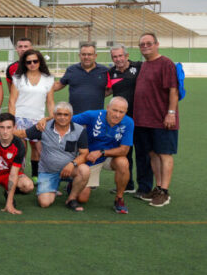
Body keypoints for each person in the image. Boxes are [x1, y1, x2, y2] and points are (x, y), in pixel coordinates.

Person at [132, 33, 180, 207]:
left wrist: (171, 113)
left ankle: (165, 192)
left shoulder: (165, 63)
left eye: (148, 43)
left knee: (164, 154)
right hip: (144, 120)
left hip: (162, 119)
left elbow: (173, 91)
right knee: (152, 154)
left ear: (157, 44)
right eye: (142, 44)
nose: (145, 46)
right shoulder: (145, 65)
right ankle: (158, 187)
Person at [15, 102, 90, 211]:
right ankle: (52, 186)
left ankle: (71, 199)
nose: (62, 117)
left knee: (85, 173)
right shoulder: (43, 127)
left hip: (70, 170)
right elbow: (22, 134)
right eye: (59, 114)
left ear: (71, 116)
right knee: (44, 203)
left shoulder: (79, 130)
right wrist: (4, 132)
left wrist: (72, 164)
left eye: (66, 115)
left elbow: (84, 154)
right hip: (48, 171)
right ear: (54, 115)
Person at [70, 97, 133, 214]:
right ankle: (74, 181)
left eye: (121, 112)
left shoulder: (129, 122)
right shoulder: (92, 115)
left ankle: (119, 199)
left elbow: (124, 150)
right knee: (82, 199)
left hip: (109, 156)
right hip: (90, 158)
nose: (117, 115)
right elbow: (66, 120)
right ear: (107, 108)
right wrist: (46, 120)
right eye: (115, 110)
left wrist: (102, 152)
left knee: (123, 162)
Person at [8, 49, 55, 180]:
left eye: (35, 61)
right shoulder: (18, 78)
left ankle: (35, 176)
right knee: (20, 150)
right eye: (29, 62)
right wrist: (12, 122)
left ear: (40, 61)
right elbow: (12, 101)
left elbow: (50, 102)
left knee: (38, 149)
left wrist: (49, 118)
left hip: (39, 120)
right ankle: (20, 176)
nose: (32, 64)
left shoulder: (48, 79)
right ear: (24, 63)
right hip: (20, 118)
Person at [108, 44, 141, 193]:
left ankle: (145, 188)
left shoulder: (139, 67)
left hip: (141, 118)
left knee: (142, 153)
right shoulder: (111, 73)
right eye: (115, 57)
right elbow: (106, 91)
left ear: (126, 56)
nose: (118, 59)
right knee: (124, 152)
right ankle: (128, 185)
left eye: (121, 56)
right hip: (121, 120)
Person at [0, 113, 34, 215]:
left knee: (28, 186)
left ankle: (8, 193)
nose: (5, 131)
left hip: (7, 175)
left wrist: (9, 203)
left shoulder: (19, 145)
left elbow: (13, 174)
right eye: (2, 127)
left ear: (14, 128)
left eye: (8, 128)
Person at [52, 43, 110, 114]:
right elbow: (58, 85)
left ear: (95, 56)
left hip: (96, 117)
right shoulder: (71, 70)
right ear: (79, 55)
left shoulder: (104, 71)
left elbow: (112, 88)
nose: (86, 57)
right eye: (83, 54)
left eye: (89, 54)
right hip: (75, 116)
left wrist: (98, 94)